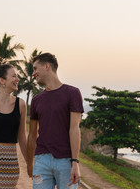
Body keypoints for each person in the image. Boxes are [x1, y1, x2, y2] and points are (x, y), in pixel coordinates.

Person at [27, 53, 84, 189]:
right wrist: (30, 163)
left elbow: (74, 129)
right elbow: (32, 135)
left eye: (35, 69)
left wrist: (75, 163)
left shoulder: (72, 93)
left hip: (66, 160)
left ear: (47, 66)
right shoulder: (36, 100)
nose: (33, 73)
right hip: (41, 161)